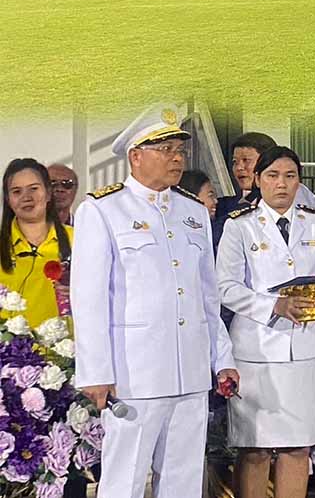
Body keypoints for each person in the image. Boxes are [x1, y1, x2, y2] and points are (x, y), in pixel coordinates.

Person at [71, 106, 238, 498]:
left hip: (190, 369)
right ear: (135, 156)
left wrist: (222, 357)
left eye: (179, 150)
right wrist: (95, 371)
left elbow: (206, 295)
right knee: (124, 478)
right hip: (135, 372)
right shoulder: (103, 209)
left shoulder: (193, 211)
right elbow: (89, 297)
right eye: (165, 149)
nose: (176, 158)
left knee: (184, 480)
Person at [216, 145, 315, 498]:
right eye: (272, 176)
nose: (282, 184)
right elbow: (225, 287)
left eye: (290, 176)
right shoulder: (239, 226)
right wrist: (274, 306)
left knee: (298, 447)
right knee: (254, 448)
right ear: (258, 180)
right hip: (255, 351)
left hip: (306, 349)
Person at [2, 158, 74, 326]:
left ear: (48, 193)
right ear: (8, 199)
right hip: (8, 341)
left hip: (64, 340)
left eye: (33, 189)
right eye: (16, 192)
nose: (26, 197)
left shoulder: (78, 239)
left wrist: (79, 292)